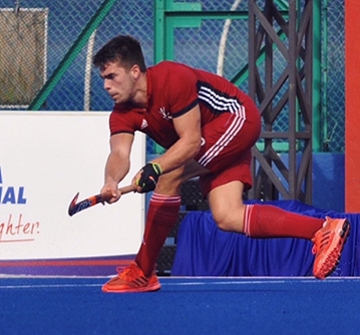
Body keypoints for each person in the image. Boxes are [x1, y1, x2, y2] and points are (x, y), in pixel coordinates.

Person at [93, 35, 350, 293]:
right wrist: (111, 181)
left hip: (236, 119)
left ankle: (143, 271)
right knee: (227, 216)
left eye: (112, 76)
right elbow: (119, 154)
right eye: (103, 78)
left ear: (135, 71)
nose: (106, 85)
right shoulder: (121, 113)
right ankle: (323, 228)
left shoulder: (172, 79)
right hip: (213, 139)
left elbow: (191, 143)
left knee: (169, 176)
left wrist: (155, 167)